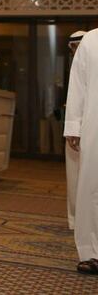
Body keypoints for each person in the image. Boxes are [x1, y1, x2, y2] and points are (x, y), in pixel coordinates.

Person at [64, 28, 98, 275]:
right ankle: (90, 252)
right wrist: (73, 126)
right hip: (94, 125)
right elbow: (78, 85)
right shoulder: (91, 40)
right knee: (91, 187)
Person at [66, 30, 87, 230]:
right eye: (72, 46)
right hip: (74, 128)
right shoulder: (73, 64)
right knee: (73, 176)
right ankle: (74, 218)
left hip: (90, 126)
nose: (75, 50)